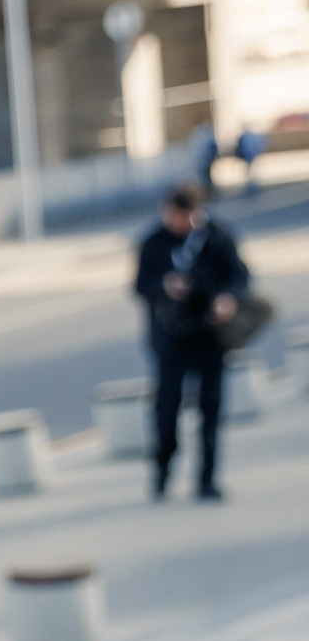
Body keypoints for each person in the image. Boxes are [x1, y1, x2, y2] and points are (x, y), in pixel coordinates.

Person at [133, 183, 252, 502]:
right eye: (173, 216)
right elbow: (140, 286)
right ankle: (162, 472)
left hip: (210, 336)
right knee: (166, 408)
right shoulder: (153, 242)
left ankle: (207, 478)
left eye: (184, 217)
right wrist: (165, 285)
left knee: (210, 408)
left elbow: (240, 276)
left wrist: (227, 299)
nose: (178, 223)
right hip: (170, 340)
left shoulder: (216, 237)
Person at [235, 126, 267, 197]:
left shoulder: (245, 136)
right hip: (251, 154)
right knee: (251, 170)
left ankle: (251, 185)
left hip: (248, 154)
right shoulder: (252, 136)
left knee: (249, 170)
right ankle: (252, 184)